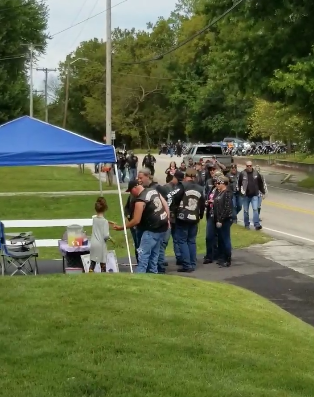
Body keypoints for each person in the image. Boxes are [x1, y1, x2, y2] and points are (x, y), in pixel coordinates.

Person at [114, 180, 170, 273]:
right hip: (162, 227)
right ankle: (153, 274)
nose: (131, 194)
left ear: (135, 188)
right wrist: (167, 219)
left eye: (131, 191)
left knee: (143, 255)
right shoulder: (153, 191)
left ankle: (140, 276)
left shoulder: (140, 200)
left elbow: (136, 220)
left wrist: (121, 227)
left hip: (151, 229)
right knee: (154, 255)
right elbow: (165, 204)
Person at [170, 168, 205, 272]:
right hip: (194, 216)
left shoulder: (183, 186)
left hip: (183, 216)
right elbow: (202, 203)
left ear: (187, 176)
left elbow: (175, 198)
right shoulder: (200, 188)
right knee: (191, 241)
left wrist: (175, 210)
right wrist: (201, 215)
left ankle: (187, 264)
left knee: (182, 240)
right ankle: (193, 263)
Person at [157, 169, 184, 272]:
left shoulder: (180, 187)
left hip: (176, 216)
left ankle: (179, 258)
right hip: (167, 216)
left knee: (177, 238)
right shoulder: (165, 188)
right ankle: (162, 259)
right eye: (178, 179)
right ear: (174, 177)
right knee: (164, 240)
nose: (180, 181)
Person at [238, 161, 265, 230]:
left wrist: (263, 192)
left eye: (250, 166)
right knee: (246, 211)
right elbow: (239, 183)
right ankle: (247, 224)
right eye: (247, 166)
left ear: (252, 166)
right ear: (245, 166)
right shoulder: (242, 173)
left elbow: (260, 183)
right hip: (245, 196)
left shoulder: (256, 173)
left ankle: (257, 224)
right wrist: (240, 192)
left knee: (255, 209)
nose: (249, 167)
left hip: (254, 195)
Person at [204, 171, 223, 264]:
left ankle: (218, 254)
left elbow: (224, 203)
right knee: (209, 236)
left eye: (217, 180)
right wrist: (207, 202)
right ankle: (209, 255)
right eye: (214, 180)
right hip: (210, 214)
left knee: (219, 236)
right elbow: (207, 197)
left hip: (219, 216)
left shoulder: (224, 190)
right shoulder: (212, 189)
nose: (216, 182)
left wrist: (214, 202)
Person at [214, 176, 233, 267]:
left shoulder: (227, 193)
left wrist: (221, 219)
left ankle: (228, 259)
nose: (217, 185)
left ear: (223, 183)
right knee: (222, 238)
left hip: (225, 220)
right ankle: (223, 257)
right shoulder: (220, 193)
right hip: (220, 219)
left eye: (218, 183)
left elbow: (227, 208)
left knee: (226, 239)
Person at [90, 197, 110, 272]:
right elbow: (105, 236)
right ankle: (103, 272)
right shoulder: (105, 222)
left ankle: (90, 272)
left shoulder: (94, 219)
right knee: (102, 261)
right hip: (101, 244)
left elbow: (95, 217)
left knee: (93, 261)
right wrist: (109, 237)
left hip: (93, 243)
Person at [124, 190, 138, 262]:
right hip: (133, 223)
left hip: (140, 223)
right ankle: (139, 261)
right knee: (136, 242)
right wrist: (128, 215)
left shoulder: (142, 197)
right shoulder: (131, 197)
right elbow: (126, 208)